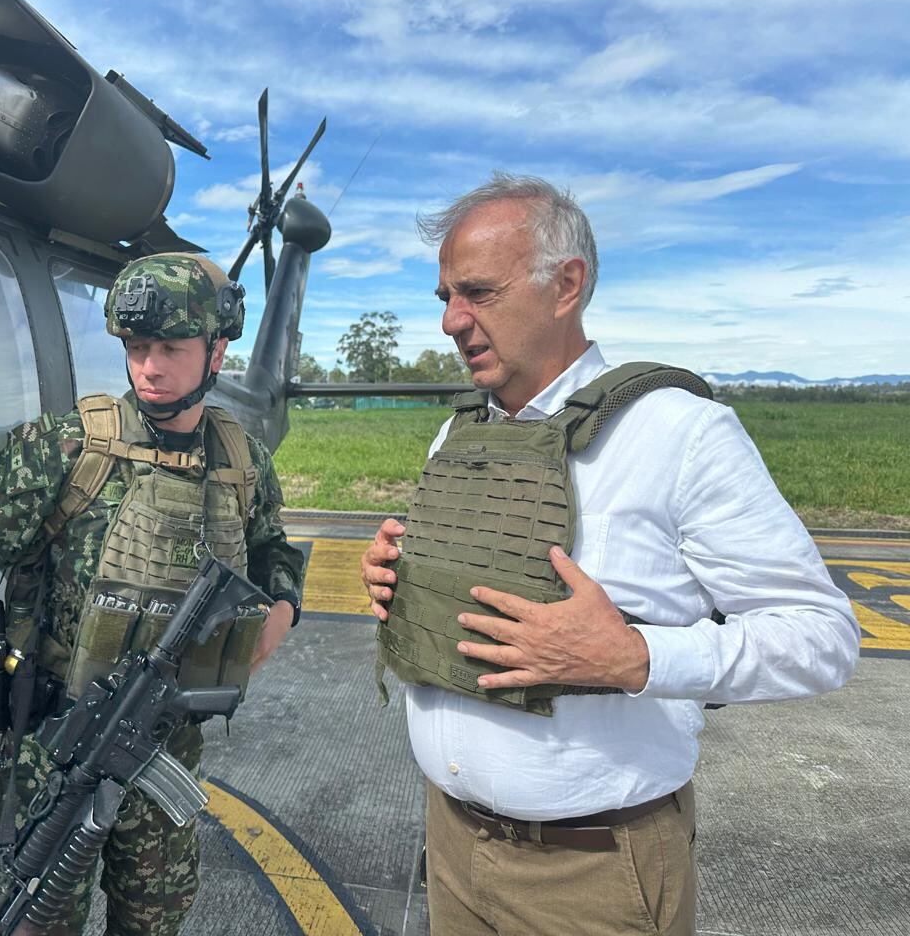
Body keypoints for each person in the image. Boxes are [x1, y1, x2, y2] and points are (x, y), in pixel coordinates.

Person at [360, 174, 859, 936]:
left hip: (593, 871)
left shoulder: (682, 433)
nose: (452, 322)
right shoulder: (459, 432)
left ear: (567, 286)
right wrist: (402, 579)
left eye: (478, 293)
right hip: (452, 846)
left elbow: (823, 639)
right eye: (444, 298)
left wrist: (634, 657)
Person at [0, 252, 304, 936]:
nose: (150, 368)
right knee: (31, 918)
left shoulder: (241, 458)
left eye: (171, 348)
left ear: (217, 351)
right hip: (57, 753)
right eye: (138, 348)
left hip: (167, 747)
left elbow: (272, 547)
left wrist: (282, 608)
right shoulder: (67, 449)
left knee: (153, 922)